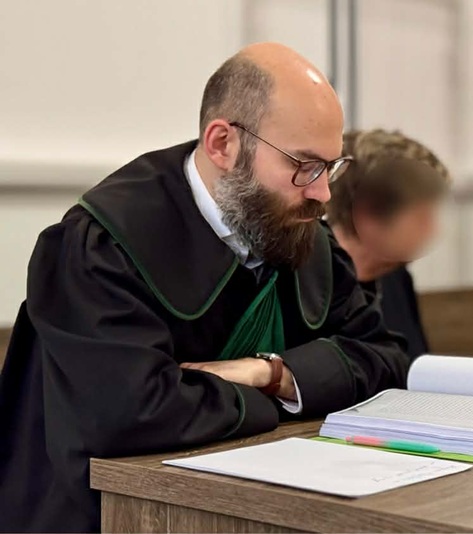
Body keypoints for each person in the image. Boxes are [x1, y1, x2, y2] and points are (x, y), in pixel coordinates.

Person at [0, 43, 408, 532]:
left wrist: (270, 373)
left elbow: (387, 361)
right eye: (303, 166)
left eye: (330, 167)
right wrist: (297, 390)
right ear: (222, 144)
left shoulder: (301, 235)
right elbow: (128, 415)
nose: (322, 193)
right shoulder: (104, 245)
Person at [325, 129, 450, 360]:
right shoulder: (311, 291)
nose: (434, 229)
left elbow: (415, 368)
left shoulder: (396, 279)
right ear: (369, 216)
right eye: (422, 216)